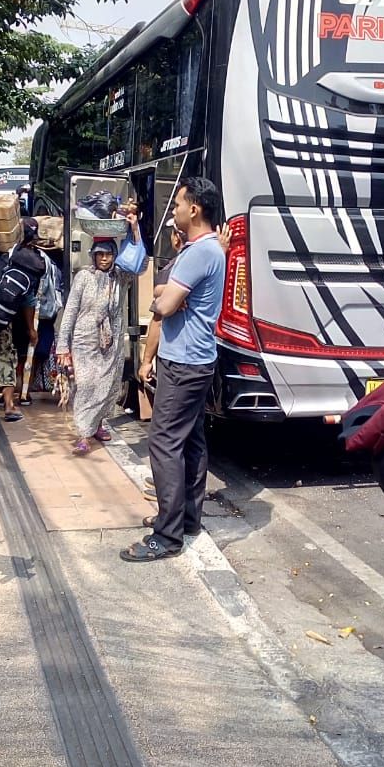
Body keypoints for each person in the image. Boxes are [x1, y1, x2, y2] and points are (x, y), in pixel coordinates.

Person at [121, 177, 225, 563]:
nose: (174, 211)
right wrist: (170, 296)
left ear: (194, 209)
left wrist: (169, 298)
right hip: (196, 360)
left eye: (178, 204)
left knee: (164, 442)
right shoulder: (207, 249)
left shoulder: (200, 252)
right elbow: (165, 296)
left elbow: (162, 306)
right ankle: (187, 520)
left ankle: (166, 536)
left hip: (183, 363)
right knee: (191, 441)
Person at [56, 209, 147, 453]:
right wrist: (63, 346)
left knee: (107, 386)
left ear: (115, 256)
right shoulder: (83, 277)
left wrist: (135, 229)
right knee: (86, 385)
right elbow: (70, 312)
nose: (104, 259)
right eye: (100, 255)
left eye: (108, 254)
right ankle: (83, 433)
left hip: (111, 342)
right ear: (93, 256)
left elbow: (140, 264)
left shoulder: (121, 277)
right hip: (84, 341)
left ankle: (97, 424)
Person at [0, 218, 42, 422]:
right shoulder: (26, 260)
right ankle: (9, 406)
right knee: (5, 357)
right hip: (2, 319)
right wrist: (31, 329)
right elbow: (29, 299)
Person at [13, 223, 62, 403]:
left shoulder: (37, 259)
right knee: (25, 353)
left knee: (29, 353)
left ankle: (23, 390)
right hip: (29, 313)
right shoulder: (39, 258)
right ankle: (21, 391)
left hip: (33, 313)